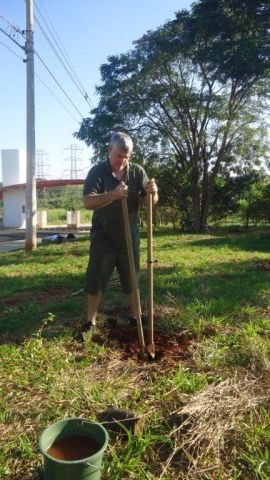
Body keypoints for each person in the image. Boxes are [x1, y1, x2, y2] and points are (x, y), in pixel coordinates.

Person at [81, 131, 158, 335]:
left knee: (132, 279)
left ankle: (136, 317)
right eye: (119, 156)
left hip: (128, 237)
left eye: (127, 157)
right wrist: (112, 195)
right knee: (95, 279)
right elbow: (88, 201)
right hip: (103, 237)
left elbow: (151, 201)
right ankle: (91, 322)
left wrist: (153, 192)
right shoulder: (98, 172)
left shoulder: (137, 171)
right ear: (109, 150)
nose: (123, 161)